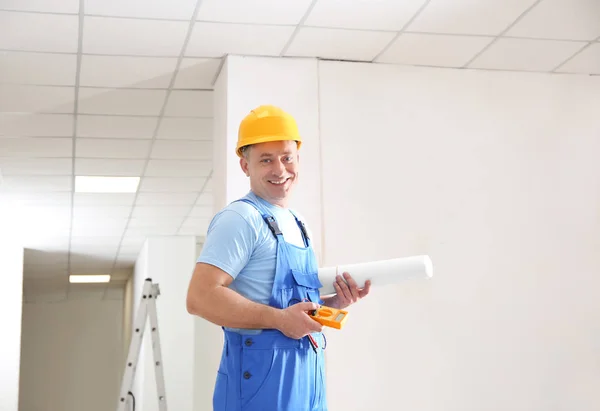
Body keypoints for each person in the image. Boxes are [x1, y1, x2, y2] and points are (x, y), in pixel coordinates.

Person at [186, 104, 371, 411]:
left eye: (287, 157)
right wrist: (280, 320)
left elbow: (288, 307)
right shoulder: (240, 219)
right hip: (259, 388)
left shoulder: (299, 223)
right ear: (245, 165)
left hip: (306, 382)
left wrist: (329, 304)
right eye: (266, 160)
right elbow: (199, 298)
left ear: (298, 158)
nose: (280, 169)